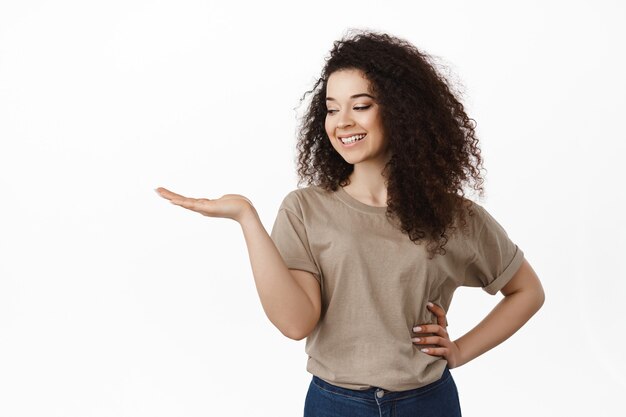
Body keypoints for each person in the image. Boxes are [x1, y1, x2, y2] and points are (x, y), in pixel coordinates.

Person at [155, 29, 545, 417]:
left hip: (427, 402)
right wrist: (247, 219)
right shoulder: (305, 209)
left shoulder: (455, 216)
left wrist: (458, 351)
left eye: (360, 106)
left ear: (401, 110)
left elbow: (527, 291)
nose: (341, 122)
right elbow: (295, 323)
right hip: (335, 404)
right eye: (331, 107)